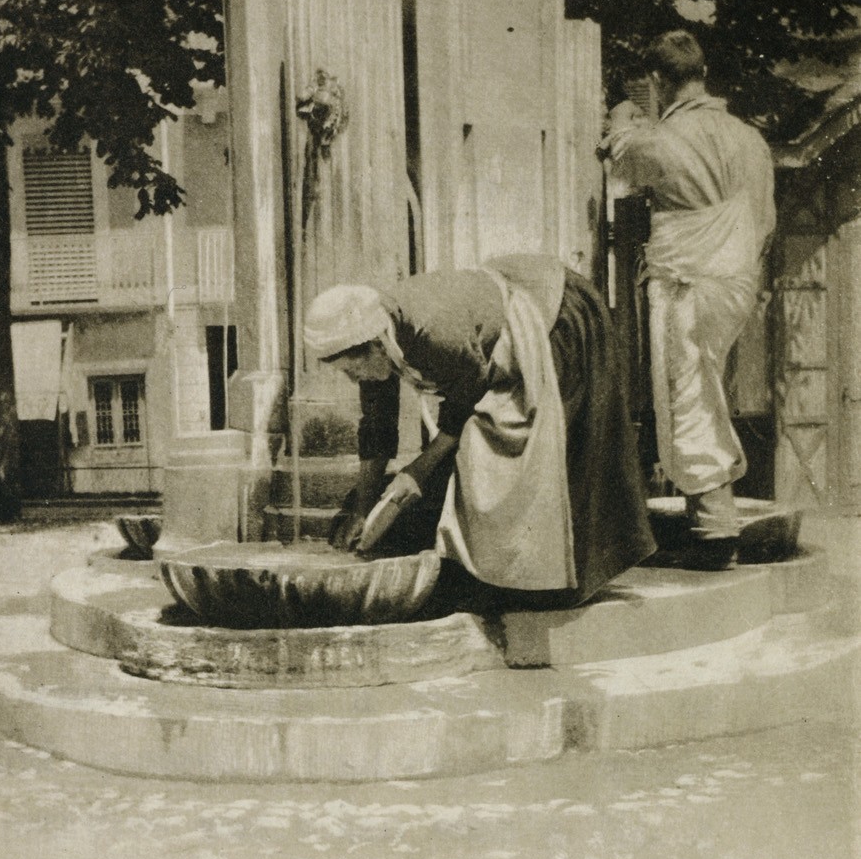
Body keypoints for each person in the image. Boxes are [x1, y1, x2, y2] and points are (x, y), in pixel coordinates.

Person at [303, 254, 655, 609]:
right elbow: (377, 426)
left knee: (499, 444)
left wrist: (415, 475)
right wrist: (363, 509)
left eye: (352, 370)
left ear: (376, 345)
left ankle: (545, 583)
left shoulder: (432, 332)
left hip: (557, 311)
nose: (352, 379)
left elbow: (464, 405)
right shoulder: (373, 340)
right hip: (493, 330)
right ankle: (507, 571)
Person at [599, 30, 776, 569]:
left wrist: (623, 115)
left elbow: (621, 157)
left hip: (690, 280)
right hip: (738, 281)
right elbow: (764, 225)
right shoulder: (751, 139)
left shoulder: (661, 138)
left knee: (689, 393)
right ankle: (713, 514)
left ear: (657, 79)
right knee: (705, 383)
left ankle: (714, 527)